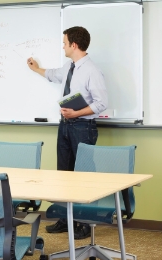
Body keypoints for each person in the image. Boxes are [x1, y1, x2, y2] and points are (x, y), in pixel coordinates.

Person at [27, 26, 108, 239]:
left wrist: (77, 113)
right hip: (65, 125)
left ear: (74, 45)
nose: (62, 46)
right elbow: (53, 75)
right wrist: (37, 69)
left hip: (83, 127)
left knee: (82, 177)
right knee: (63, 174)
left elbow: (102, 104)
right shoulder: (69, 67)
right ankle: (65, 219)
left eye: (64, 43)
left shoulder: (92, 71)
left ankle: (83, 223)